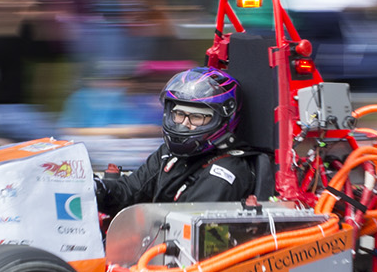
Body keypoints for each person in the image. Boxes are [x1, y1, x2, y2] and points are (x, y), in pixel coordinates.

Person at [94, 66, 262, 212]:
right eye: (179, 114)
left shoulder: (224, 172)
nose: (184, 124)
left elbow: (187, 227)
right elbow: (129, 191)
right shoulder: (170, 155)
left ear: (223, 119)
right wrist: (96, 188)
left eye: (196, 117)